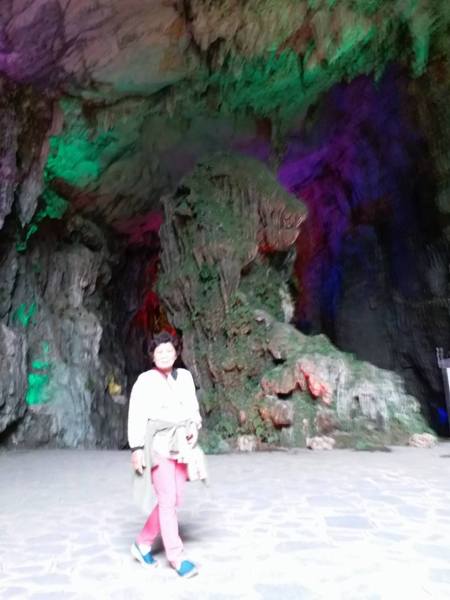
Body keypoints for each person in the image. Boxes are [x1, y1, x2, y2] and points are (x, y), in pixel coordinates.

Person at [127, 331, 204, 578]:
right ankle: (176, 557)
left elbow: (192, 409)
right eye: (159, 351)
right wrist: (137, 449)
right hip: (157, 445)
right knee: (168, 498)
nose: (164, 355)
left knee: (174, 499)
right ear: (152, 355)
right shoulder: (145, 381)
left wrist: (194, 427)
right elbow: (136, 415)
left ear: (176, 353)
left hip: (180, 445)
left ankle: (142, 543)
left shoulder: (185, 377)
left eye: (169, 351)